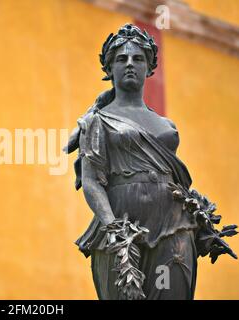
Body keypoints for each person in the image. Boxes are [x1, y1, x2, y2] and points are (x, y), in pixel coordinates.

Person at [64, 24, 237, 300]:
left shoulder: (167, 126)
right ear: (109, 70)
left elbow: (177, 181)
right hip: (121, 228)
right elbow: (92, 181)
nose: (130, 64)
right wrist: (113, 230)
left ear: (149, 68)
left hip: (173, 226)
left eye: (138, 58)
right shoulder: (97, 121)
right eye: (121, 59)